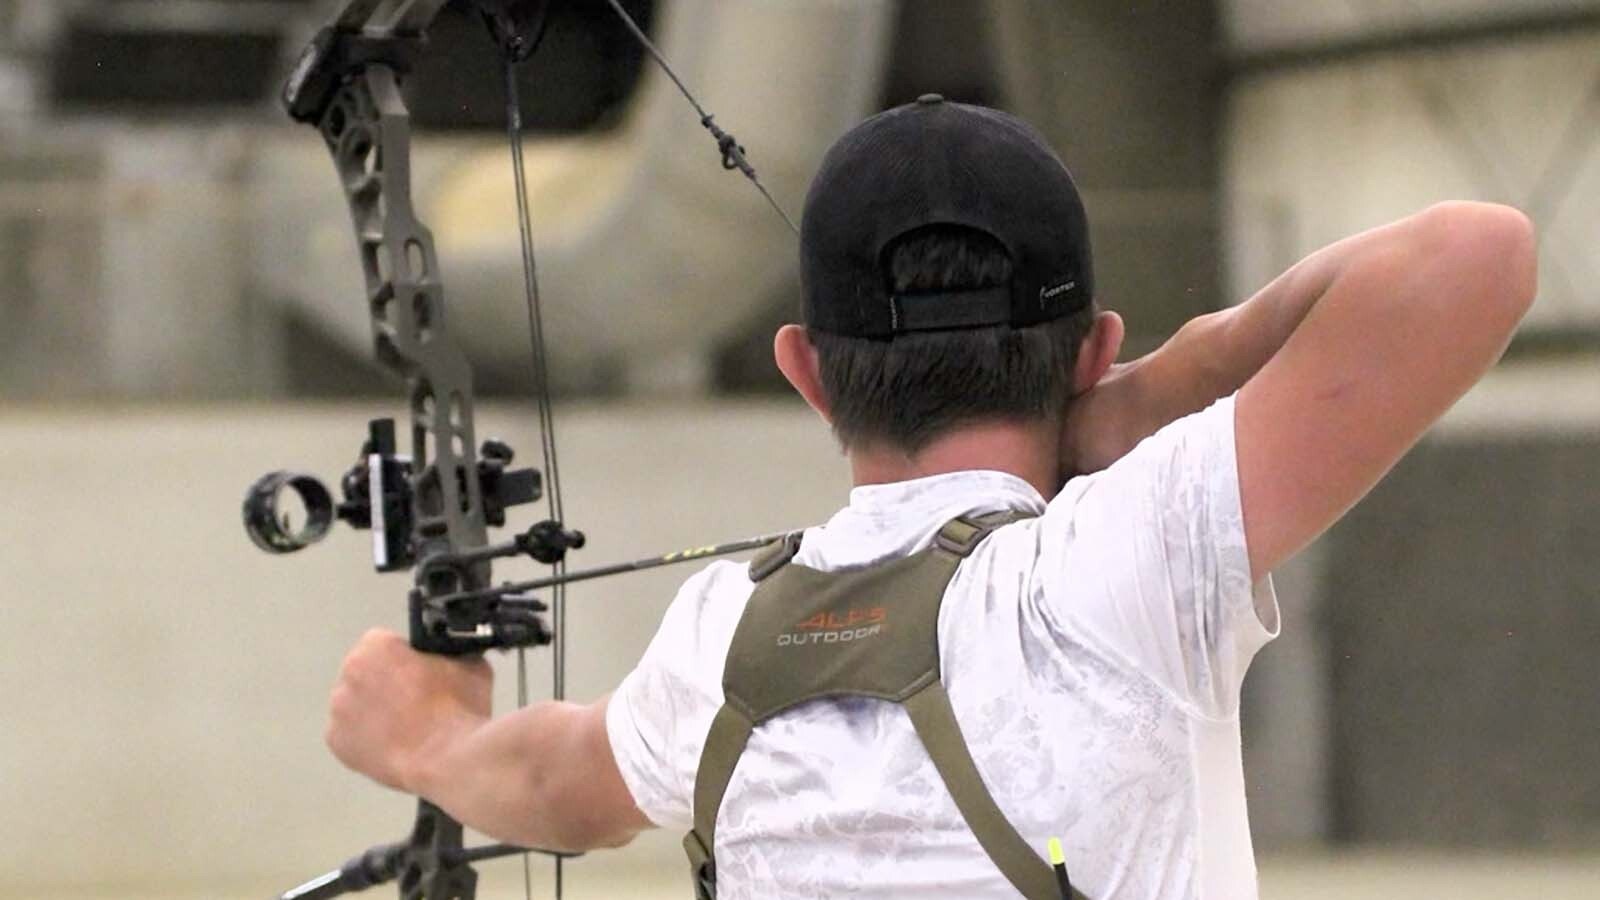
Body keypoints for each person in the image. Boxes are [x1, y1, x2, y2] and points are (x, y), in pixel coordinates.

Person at [322, 97, 1537, 899]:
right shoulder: (1116, 567)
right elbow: (1474, 254)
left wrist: (425, 738)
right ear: (1087, 348)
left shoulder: (717, 634)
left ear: (804, 369)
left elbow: (552, 785)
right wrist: (1160, 386)